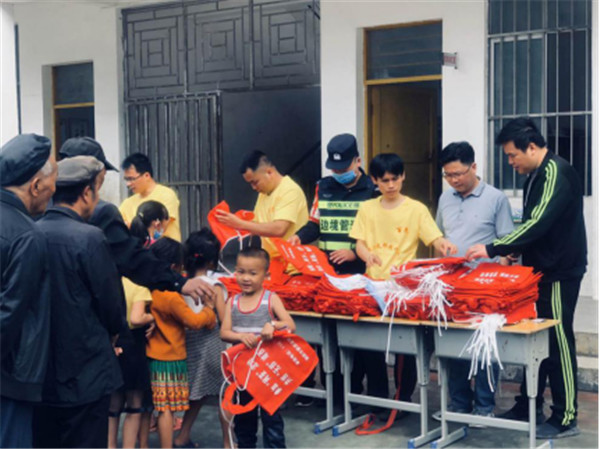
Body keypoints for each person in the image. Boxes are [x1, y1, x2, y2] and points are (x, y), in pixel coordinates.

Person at [466, 117, 587, 439]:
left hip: (559, 273)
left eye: (512, 155)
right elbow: (531, 224)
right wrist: (514, 252)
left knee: (558, 342)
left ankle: (566, 416)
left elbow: (538, 223)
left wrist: (493, 247)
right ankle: (527, 405)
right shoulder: (534, 176)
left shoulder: (556, 172)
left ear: (531, 147)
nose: (510, 162)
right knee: (538, 341)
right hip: (537, 271)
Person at [350, 153, 456, 405]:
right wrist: (367, 255)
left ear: (403, 176)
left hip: (402, 287)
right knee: (371, 343)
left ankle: (403, 399)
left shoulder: (416, 209)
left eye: (395, 179)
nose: (390, 185)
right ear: (374, 180)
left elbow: (433, 237)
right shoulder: (367, 208)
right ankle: (377, 398)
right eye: (384, 180)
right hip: (373, 284)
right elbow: (359, 243)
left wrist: (444, 245)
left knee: (404, 346)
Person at [33, 156, 124, 448]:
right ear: (87, 193)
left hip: (41, 370)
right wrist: (115, 332)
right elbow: (111, 304)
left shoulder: (32, 232)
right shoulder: (90, 238)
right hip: (86, 369)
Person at [58, 137, 215, 305]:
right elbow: (130, 257)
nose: (128, 184)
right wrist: (178, 282)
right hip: (93, 309)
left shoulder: (42, 214)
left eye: (131, 178)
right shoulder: (103, 212)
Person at [289, 133, 378, 407]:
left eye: (343, 168)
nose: (338, 174)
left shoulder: (372, 190)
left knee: (359, 337)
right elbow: (314, 223)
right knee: (330, 336)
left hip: (360, 274)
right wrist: (299, 238)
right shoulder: (323, 187)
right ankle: (334, 396)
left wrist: (354, 251)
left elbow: (377, 233)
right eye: (334, 169)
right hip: (328, 275)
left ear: (358, 161)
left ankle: (361, 395)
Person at [433, 141, 514, 422]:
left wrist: (500, 286)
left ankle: (484, 406)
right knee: (454, 344)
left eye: (458, 174)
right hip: (452, 285)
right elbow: (439, 237)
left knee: (484, 347)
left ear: (474, 167)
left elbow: (507, 245)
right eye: (448, 175)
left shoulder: (496, 198)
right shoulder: (445, 199)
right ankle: (459, 403)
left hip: (485, 287)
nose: (454, 180)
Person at [0, 134, 57, 448]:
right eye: (52, 181)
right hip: (11, 377)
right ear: (36, 185)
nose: (54, 190)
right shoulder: (26, 236)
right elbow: (9, 314)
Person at [220, 247, 296, 448]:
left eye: (253, 273)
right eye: (241, 272)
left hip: (268, 372)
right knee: (244, 419)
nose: (246, 278)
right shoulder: (232, 301)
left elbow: (290, 324)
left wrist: (273, 325)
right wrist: (240, 336)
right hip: (243, 372)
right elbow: (224, 332)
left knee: (272, 418)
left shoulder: (270, 299)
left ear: (266, 275)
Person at [146, 238, 218, 449]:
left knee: (158, 406)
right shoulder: (171, 296)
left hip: (153, 354)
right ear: (174, 267)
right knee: (167, 409)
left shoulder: (149, 290)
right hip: (170, 357)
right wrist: (209, 311)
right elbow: (193, 321)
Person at [174, 229, 233, 449]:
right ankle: (228, 442)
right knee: (226, 393)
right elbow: (223, 319)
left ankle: (182, 436)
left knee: (197, 395)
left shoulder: (183, 283)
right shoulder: (214, 286)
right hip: (213, 344)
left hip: (190, 343)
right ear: (211, 260)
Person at [215, 150, 308, 271]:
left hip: (293, 267)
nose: (253, 187)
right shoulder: (263, 193)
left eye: (255, 182)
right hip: (272, 265)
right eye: (250, 184)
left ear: (269, 172)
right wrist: (232, 225)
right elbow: (257, 225)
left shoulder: (290, 190)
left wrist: (241, 224)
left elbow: (279, 229)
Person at [119, 152, 181, 241]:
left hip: (166, 248)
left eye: (132, 179)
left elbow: (161, 227)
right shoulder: (127, 203)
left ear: (147, 176)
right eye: (126, 179)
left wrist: (132, 227)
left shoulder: (166, 195)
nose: (128, 184)